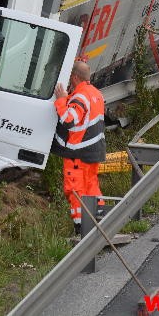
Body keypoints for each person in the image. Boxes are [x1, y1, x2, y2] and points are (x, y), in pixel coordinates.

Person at [51, 60, 106, 235]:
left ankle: (81, 227)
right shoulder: (95, 93)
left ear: (74, 77)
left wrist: (60, 101)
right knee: (91, 187)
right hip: (93, 152)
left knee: (75, 190)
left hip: (78, 154)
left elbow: (69, 119)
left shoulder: (80, 96)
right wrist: (68, 97)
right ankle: (99, 220)